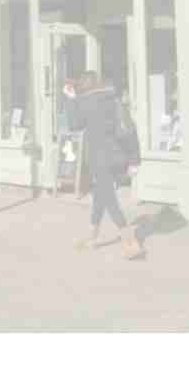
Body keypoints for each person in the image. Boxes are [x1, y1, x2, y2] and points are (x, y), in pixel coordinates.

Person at [67, 71, 143, 260]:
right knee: (101, 195)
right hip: (119, 159)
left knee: (109, 199)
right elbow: (130, 130)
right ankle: (92, 237)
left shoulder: (84, 102)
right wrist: (134, 160)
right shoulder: (114, 100)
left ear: (84, 88)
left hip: (99, 160)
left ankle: (129, 240)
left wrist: (71, 100)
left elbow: (74, 125)